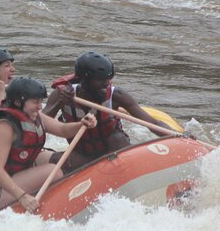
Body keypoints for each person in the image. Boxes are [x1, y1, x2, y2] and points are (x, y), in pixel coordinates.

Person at [0, 76, 96, 213]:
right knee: (52, 172)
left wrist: (82, 123)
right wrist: (22, 196)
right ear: (17, 101)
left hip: (8, 180)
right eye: (35, 102)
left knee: (55, 165)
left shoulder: (33, 115)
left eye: (40, 102)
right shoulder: (4, 126)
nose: (40, 107)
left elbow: (62, 130)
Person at [42, 51, 174, 171]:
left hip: (115, 151)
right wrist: (60, 103)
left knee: (117, 138)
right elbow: (38, 123)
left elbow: (152, 123)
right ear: (84, 80)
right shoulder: (61, 95)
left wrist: (178, 136)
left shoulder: (117, 96)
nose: (106, 84)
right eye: (100, 80)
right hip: (83, 154)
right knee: (57, 161)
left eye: (108, 79)